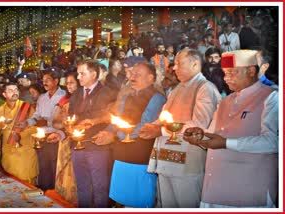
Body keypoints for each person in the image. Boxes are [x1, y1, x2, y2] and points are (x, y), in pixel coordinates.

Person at [183, 49, 278, 208]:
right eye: (225, 73)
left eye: (232, 73)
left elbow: (273, 142)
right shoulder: (225, 101)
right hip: (214, 190)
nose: (226, 78)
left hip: (249, 193)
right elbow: (213, 137)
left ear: (251, 71)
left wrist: (226, 143)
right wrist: (200, 137)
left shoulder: (272, 96)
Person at [139, 48, 221, 208]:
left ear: (195, 64)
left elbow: (200, 125)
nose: (174, 68)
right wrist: (152, 126)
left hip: (186, 163)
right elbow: (164, 117)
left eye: (179, 64)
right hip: (165, 159)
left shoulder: (205, 88)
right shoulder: (177, 89)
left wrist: (161, 130)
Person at [93, 62, 167, 164]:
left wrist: (114, 136)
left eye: (138, 75)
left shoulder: (157, 98)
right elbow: (117, 119)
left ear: (150, 78)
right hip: (120, 152)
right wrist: (106, 132)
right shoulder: (127, 97)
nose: (132, 77)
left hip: (140, 154)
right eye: (132, 74)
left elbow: (144, 127)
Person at [68, 60, 116, 208]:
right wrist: (69, 126)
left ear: (94, 74)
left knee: (100, 187)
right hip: (77, 145)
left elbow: (112, 116)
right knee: (82, 186)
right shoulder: (76, 93)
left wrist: (93, 122)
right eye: (78, 74)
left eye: (82, 73)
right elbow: (71, 116)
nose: (78, 77)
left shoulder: (108, 93)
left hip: (97, 145)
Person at [16, 67, 66, 191]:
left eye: (48, 80)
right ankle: (44, 194)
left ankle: (55, 195)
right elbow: (36, 116)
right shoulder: (42, 98)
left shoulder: (64, 96)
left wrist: (47, 121)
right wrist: (26, 123)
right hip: (42, 137)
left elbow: (64, 120)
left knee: (55, 168)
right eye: (43, 80)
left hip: (56, 137)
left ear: (56, 81)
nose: (45, 83)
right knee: (43, 167)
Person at [0, 82, 38, 184]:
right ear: (4, 94)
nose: (14, 92)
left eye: (16, 90)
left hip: (25, 153)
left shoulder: (27, 107)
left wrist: (20, 136)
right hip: (8, 154)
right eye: (10, 91)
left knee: (28, 187)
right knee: (11, 186)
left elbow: (35, 128)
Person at [52, 70, 80, 204]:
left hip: (78, 140)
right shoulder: (64, 100)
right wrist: (63, 124)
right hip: (63, 139)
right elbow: (55, 122)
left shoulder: (82, 99)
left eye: (72, 83)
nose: (69, 86)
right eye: (67, 83)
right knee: (63, 171)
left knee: (74, 173)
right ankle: (63, 200)